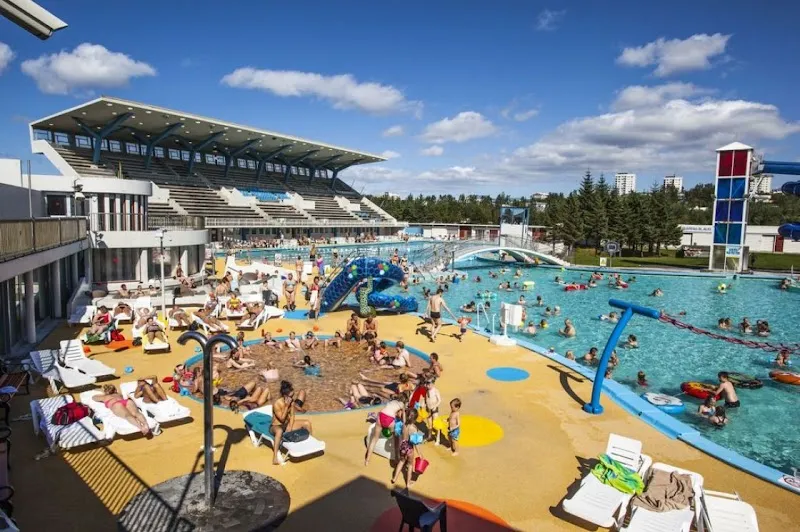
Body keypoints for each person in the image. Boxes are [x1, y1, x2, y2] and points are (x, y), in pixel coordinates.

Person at [270, 380, 312, 465]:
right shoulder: (277, 404)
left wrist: (290, 426)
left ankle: (310, 445)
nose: (292, 398)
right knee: (279, 431)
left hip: (286, 425)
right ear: (285, 396)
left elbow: (292, 416)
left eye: (292, 396)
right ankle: (274, 457)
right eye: (290, 396)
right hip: (276, 426)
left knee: (307, 423)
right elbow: (281, 419)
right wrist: (286, 406)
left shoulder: (291, 402)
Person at [364, 396, 405, 465]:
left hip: (381, 415)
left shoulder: (391, 402)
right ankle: (396, 459)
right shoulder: (402, 404)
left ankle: (367, 460)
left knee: (374, 439)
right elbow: (403, 417)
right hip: (389, 419)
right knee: (396, 440)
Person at [392, 408, 423, 487]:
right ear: (415, 419)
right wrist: (420, 454)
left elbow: (404, 416)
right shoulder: (413, 428)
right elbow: (415, 443)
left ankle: (394, 478)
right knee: (410, 465)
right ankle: (408, 483)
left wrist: (403, 408)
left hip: (402, 446)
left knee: (401, 462)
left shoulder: (404, 423)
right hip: (409, 448)